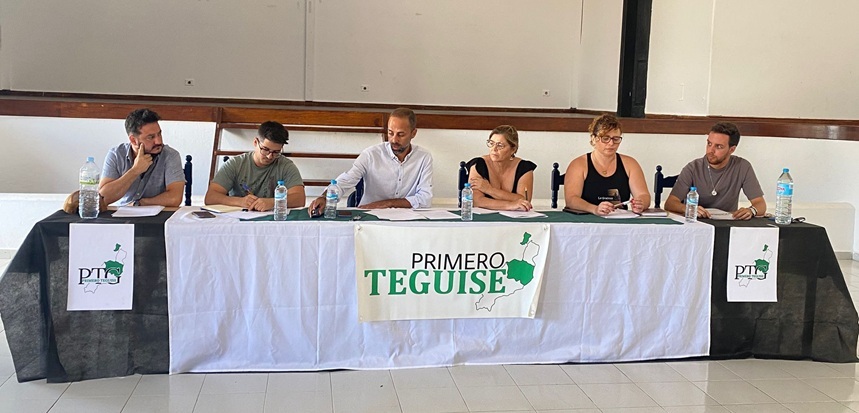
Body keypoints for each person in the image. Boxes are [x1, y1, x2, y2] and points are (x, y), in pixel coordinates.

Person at [308, 108, 432, 214]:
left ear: (413, 133)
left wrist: (387, 204)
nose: (394, 140)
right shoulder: (371, 155)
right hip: (370, 216)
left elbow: (425, 199)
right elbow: (346, 180)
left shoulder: (423, 158)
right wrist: (324, 197)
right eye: (390, 133)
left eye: (400, 134)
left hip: (407, 218)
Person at [664, 122, 765, 220]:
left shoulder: (742, 167)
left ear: (732, 149)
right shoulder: (693, 168)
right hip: (697, 222)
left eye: (718, 146)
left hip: (728, 224)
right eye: (709, 144)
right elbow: (670, 204)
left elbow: (760, 204)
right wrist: (688, 208)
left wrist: (751, 210)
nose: (710, 151)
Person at [204, 121, 305, 211]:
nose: (270, 156)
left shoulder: (286, 166)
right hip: (238, 218)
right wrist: (240, 201)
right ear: (255, 142)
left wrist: (272, 202)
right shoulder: (235, 164)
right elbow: (210, 197)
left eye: (276, 152)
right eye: (265, 149)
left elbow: (300, 199)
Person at [563, 113, 650, 215]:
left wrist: (641, 204)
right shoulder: (578, 165)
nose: (611, 143)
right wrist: (594, 209)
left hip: (620, 218)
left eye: (616, 139)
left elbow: (644, 195)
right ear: (594, 139)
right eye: (605, 138)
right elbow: (571, 200)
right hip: (587, 218)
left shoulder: (630, 164)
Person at [99, 108, 185, 207]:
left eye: (159, 134)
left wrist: (140, 203)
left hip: (157, 214)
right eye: (150, 137)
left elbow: (175, 198)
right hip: (122, 213)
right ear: (133, 140)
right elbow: (102, 199)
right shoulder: (116, 155)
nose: (158, 141)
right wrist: (135, 171)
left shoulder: (170, 155)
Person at [466, 125, 534, 211]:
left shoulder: (524, 168)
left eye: (500, 145)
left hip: (515, 217)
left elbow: (524, 201)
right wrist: (510, 205)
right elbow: (476, 201)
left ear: (513, 149)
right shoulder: (478, 165)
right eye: (491, 143)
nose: (494, 149)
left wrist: (489, 190)